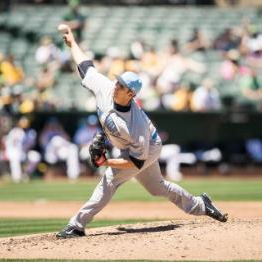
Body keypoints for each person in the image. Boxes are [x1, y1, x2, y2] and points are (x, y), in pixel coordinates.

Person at [56, 25, 228, 238]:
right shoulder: (105, 88)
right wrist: (73, 43)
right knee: (157, 188)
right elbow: (84, 65)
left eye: (121, 85)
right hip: (131, 146)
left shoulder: (133, 126)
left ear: (130, 94)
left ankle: (77, 225)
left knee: (111, 180)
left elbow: (136, 162)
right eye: (118, 81)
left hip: (148, 148)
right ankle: (200, 204)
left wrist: (106, 162)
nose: (116, 85)